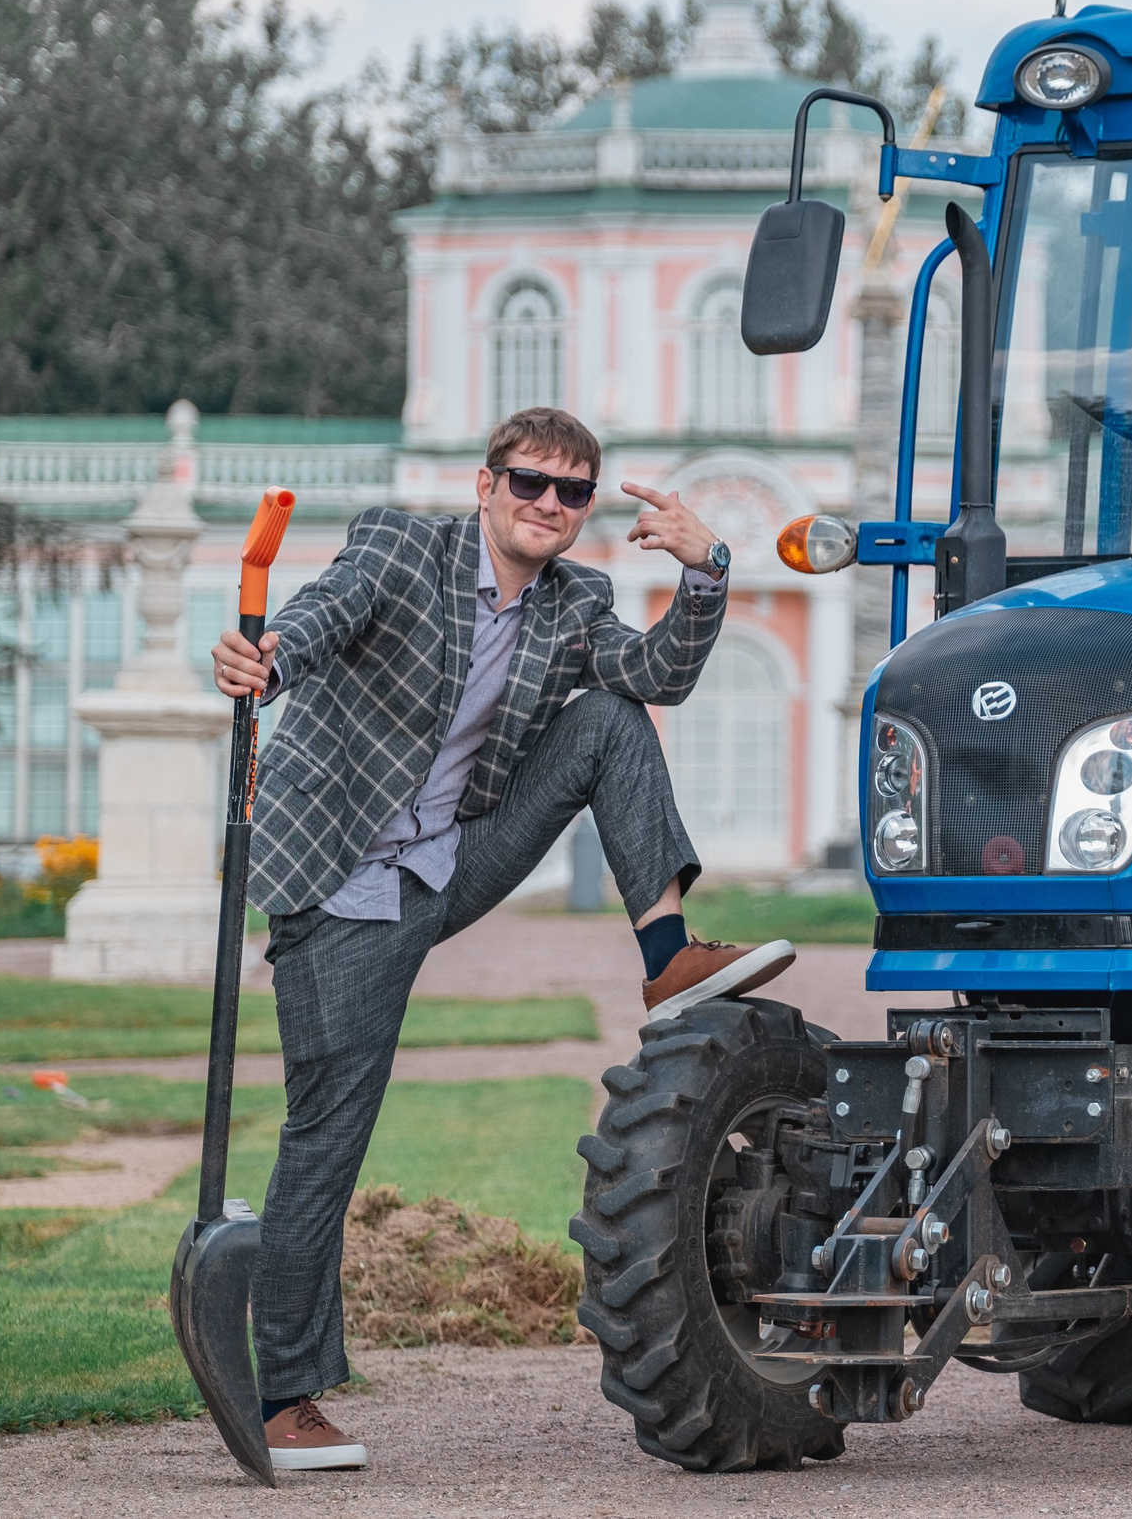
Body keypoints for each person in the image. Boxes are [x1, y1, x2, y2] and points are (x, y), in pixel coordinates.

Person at [208, 406, 795, 1471]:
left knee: (611, 721)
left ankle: (668, 955)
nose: (550, 505)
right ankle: (285, 1398)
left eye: (573, 492)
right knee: (327, 1137)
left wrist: (708, 568)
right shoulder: (401, 545)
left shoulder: (577, 603)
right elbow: (324, 612)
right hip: (341, 880)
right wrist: (268, 659)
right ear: (488, 485)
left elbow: (655, 675)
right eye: (531, 482)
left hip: (452, 859)